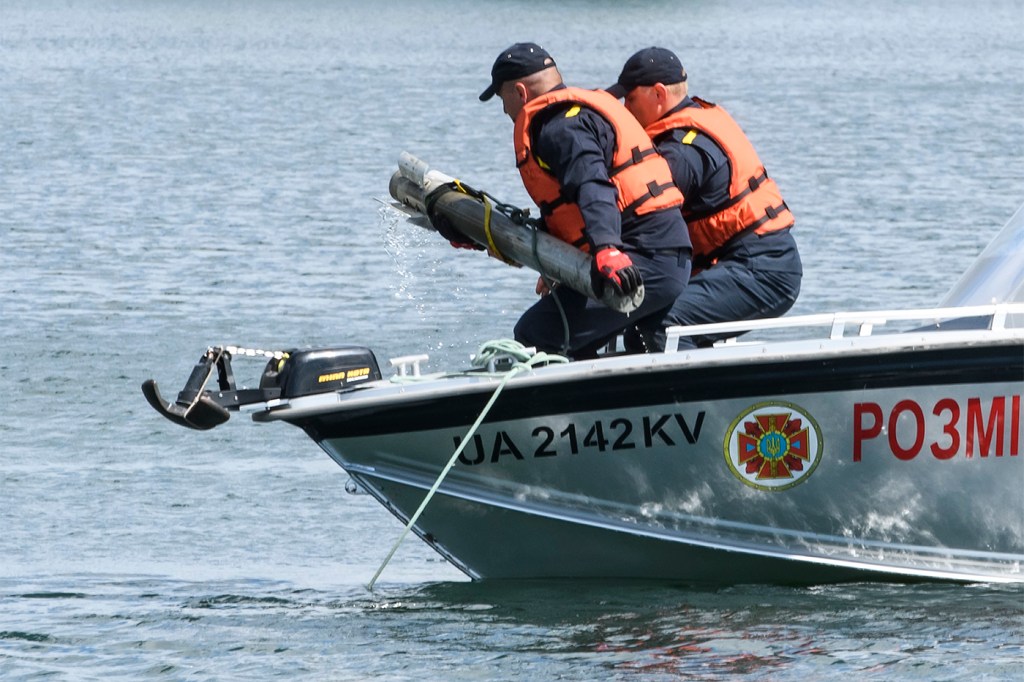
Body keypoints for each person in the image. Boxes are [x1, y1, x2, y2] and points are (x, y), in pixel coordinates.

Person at [478, 42, 692, 359]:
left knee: (536, 333)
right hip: (655, 252)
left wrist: (607, 248)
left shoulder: (559, 128)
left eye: (503, 98)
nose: (505, 110)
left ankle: (558, 408)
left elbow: (593, 185)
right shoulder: (571, 115)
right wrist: (556, 264)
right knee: (561, 328)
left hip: (645, 258)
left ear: (521, 93)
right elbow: (571, 208)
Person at [607, 47, 802, 350]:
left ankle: (693, 397)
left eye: (630, 99)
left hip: (762, 268)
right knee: (640, 327)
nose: (625, 109)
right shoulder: (687, 126)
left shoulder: (682, 150)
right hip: (742, 263)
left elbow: (637, 210)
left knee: (659, 328)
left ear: (658, 95)